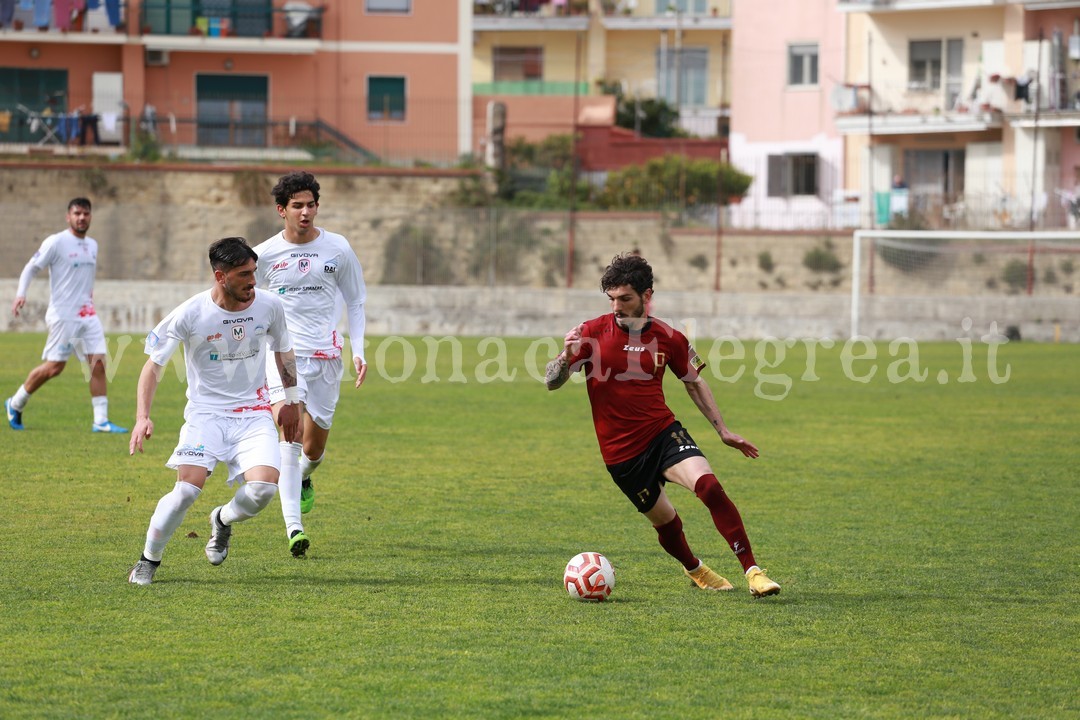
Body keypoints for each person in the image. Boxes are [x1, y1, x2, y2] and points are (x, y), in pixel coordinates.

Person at [545, 253, 781, 598]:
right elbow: (551, 382)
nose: (617, 307)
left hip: (662, 433)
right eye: (611, 299)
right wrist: (565, 357)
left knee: (710, 488)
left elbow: (694, 382)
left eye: (625, 298)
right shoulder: (591, 333)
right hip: (621, 455)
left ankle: (754, 572)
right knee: (667, 523)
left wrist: (723, 431)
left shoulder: (670, 338)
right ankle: (696, 569)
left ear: (647, 296)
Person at [126, 237, 301, 585]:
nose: (253, 281)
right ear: (220, 276)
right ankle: (149, 559)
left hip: (253, 413)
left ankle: (221, 519)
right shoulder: (191, 312)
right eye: (243, 275)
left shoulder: (269, 306)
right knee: (186, 491)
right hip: (206, 416)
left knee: (264, 489)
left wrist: (292, 401)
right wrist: (142, 416)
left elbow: (284, 351)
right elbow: (153, 366)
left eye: (254, 272)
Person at [252, 171, 368, 559]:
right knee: (289, 435)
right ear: (281, 210)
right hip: (284, 356)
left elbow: (356, 300)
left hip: (327, 358)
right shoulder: (264, 255)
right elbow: (245, 301)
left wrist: (359, 349)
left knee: (314, 451)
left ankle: (302, 478)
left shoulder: (338, 248)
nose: (305, 212)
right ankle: (294, 528)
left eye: (311, 205)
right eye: (297, 206)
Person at [6, 197, 127, 434]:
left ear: (91, 216)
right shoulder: (56, 242)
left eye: (86, 213)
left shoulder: (92, 244)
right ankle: (15, 402)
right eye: (77, 213)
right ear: (68, 216)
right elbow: (31, 267)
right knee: (54, 367)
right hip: (63, 315)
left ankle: (100, 421)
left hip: (88, 314)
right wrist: (21, 294)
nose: (81, 217)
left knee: (98, 364)